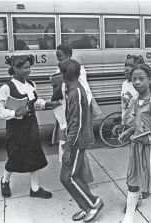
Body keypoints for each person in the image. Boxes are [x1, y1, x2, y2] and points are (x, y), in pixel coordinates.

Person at [0, 55, 60, 199]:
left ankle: (35, 189)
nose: (29, 70)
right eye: (25, 68)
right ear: (15, 69)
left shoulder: (30, 84)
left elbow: (34, 103)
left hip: (31, 124)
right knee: (15, 155)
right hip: (15, 127)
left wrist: (47, 104)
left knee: (34, 154)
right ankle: (5, 180)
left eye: (30, 67)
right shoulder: (7, 88)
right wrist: (15, 112)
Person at [119, 64, 151, 223]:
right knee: (133, 182)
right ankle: (128, 219)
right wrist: (128, 132)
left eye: (141, 79)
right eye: (134, 79)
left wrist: (148, 138)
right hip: (137, 148)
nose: (137, 82)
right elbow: (138, 123)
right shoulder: (137, 100)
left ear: (150, 79)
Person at [59, 59, 104, 222]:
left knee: (67, 177)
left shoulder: (76, 92)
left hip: (77, 141)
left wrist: (68, 148)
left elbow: (76, 123)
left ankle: (93, 203)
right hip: (76, 140)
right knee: (75, 175)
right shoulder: (71, 90)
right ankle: (87, 205)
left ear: (65, 75)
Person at [51, 43, 100, 145]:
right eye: (57, 57)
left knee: (74, 140)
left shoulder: (76, 69)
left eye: (60, 56)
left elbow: (83, 88)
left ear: (68, 54)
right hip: (64, 106)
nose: (58, 59)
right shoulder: (61, 67)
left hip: (73, 106)